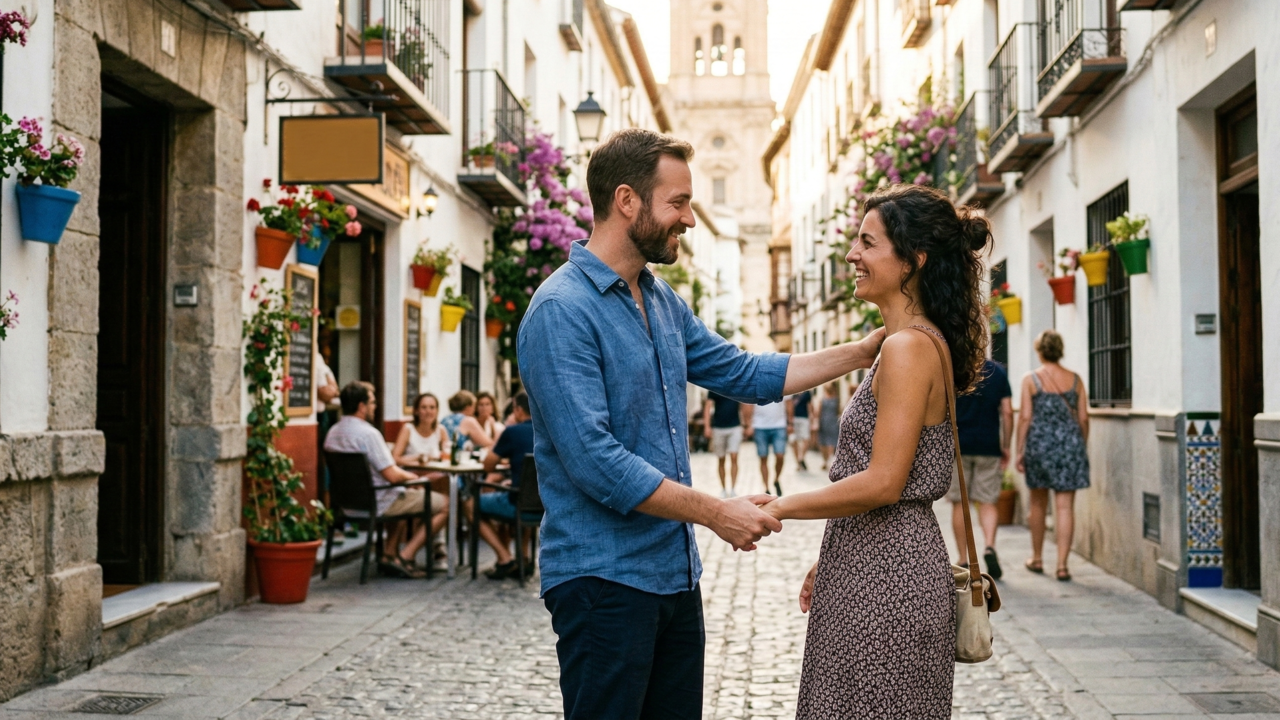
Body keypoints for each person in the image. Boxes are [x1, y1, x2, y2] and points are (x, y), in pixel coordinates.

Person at [517, 128, 883, 720]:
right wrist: (717, 512)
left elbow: (745, 372)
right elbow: (595, 461)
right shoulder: (561, 310)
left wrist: (863, 351)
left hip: (673, 577)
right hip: (602, 582)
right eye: (678, 203)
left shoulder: (661, 301)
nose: (689, 219)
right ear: (627, 201)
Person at [760, 183, 992, 718]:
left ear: (913, 260)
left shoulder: (910, 347)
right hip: (874, 562)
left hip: (887, 580)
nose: (851, 255)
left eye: (867, 243)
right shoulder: (908, 342)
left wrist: (779, 505)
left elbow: (885, 482)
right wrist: (835, 551)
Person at [324, 382, 450, 578]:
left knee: (402, 494)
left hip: (346, 504)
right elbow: (393, 475)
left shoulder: (332, 433)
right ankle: (406, 556)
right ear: (361, 406)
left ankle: (389, 555)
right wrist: (415, 478)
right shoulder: (369, 434)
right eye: (372, 402)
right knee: (445, 505)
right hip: (377, 502)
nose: (375, 407)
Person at [1017, 329, 1090, 582]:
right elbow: (1083, 417)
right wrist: (1081, 444)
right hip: (1069, 446)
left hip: (1039, 447)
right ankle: (1062, 566)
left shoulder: (1030, 379)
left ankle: (1037, 558)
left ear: (1039, 351)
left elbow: (1025, 417)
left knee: (1037, 504)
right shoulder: (1076, 380)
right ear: (1060, 350)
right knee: (1065, 506)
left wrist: (1019, 450)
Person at [949, 358, 1013, 580]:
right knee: (987, 500)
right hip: (988, 445)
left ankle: (964, 558)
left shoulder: (954, 368)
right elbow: (1007, 412)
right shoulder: (998, 371)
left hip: (959, 445)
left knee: (960, 502)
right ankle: (989, 547)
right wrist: (1006, 445)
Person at [478, 392, 535, 580]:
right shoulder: (548, 431)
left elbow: (488, 465)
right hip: (543, 503)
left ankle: (505, 559)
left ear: (518, 410)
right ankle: (523, 558)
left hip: (517, 502)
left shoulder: (512, 432)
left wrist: (504, 433)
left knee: (470, 505)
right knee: (525, 494)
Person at [703, 391, 744, 497]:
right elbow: (708, 406)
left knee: (734, 457)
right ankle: (724, 488)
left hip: (735, 426)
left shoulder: (736, 382)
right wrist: (707, 426)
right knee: (721, 459)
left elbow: (744, 403)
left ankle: (734, 488)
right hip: (718, 427)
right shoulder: (713, 385)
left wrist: (745, 423)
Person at [392, 392, 450, 467]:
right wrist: (418, 458)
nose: (428, 411)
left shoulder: (441, 430)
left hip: (437, 473)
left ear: (437, 411)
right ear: (416, 411)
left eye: (432, 407)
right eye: (424, 407)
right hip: (412, 474)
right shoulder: (408, 429)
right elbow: (395, 459)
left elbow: (448, 456)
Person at [746, 398, 790, 496]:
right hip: (760, 425)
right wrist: (749, 424)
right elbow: (748, 404)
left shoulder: (783, 383)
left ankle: (776, 479)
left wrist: (790, 423)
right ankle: (766, 487)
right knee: (763, 458)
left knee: (780, 456)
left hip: (779, 425)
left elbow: (789, 403)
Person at [816, 383, 840, 471]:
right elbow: (819, 411)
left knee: (829, 441)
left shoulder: (834, 398)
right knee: (824, 442)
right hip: (826, 421)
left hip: (830, 422)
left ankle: (827, 460)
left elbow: (819, 411)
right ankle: (826, 460)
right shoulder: (835, 399)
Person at [790, 390, 815, 470]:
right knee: (794, 440)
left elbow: (810, 405)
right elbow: (789, 405)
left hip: (804, 418)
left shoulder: (807, 393)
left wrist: (812, 416)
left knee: (806, 439)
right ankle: (798, 462)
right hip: (794, 418)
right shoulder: (793, 391)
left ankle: (801, 458)